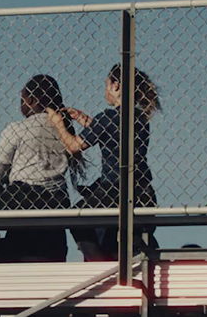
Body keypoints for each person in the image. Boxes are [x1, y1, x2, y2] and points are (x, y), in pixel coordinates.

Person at [51, 65, 160, 262]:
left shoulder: (108, 117)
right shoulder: (138, 117)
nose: (105, 91)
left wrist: (58, 123)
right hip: (142, 189)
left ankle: (98, 264)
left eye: (106, 85)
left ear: (116, 85)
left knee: (76, 218)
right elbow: (112, 132)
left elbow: (74, 146)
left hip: (114, 189)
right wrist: (83, 119)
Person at [0, 74, 80, 262]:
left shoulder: (16, 129)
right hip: (57, 199)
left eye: (22, 99)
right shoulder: (64, 128)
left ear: (30, 99)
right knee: (44, 250)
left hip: (24, 195)